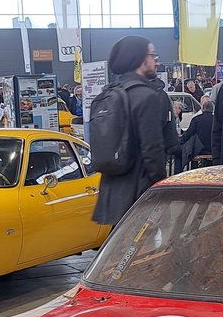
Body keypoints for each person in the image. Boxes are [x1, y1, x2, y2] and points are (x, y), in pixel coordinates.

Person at [92, 35, 174, 226]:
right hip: (139, 193)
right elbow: (152, 150)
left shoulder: (107, 93)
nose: (156, 61)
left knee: (119, 244)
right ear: (140, 59)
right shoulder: (146, 96)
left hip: (111, 192)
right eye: (153, 55)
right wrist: (162, 188)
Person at [179, 96, 215, 167]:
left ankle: (194, 169)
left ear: (202, 108)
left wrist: (181, 142)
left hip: (199, 149)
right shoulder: (216, 120)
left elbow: (188, 134)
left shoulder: (196, 119)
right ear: (212, 109)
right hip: (213, 149)